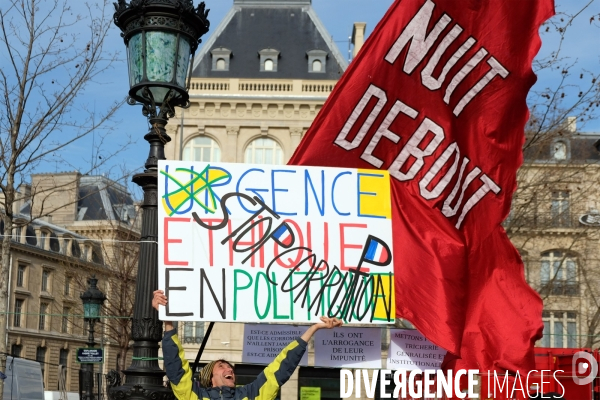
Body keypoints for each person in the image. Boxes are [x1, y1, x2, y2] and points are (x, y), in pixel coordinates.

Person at [152, 289, 343, 400]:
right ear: (210, 377)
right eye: (222, 366)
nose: (230, 369)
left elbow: (280, 368)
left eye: (229, 366)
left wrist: (314, 329)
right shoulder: (194, 395)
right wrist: (167, 320)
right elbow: (176, 369)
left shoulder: (251, 394)